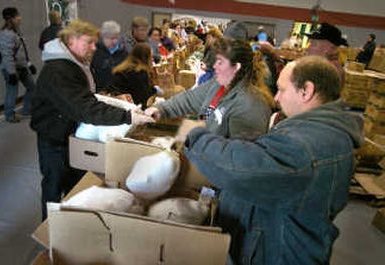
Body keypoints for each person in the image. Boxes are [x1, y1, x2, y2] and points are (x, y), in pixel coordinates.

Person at [183, 56, 364, 264]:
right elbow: (270, 158)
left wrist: (196, 137)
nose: (276, 98)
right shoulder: (324, 130)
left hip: (276, 254)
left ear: (306, 91)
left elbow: (241, 170)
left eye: (282, 89)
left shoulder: (305, 147)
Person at [30, 19, 154, 220]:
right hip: (54, 138)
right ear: (71, 40)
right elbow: (83, 106)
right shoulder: (59, 70)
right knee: (54, 187)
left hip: (68, 135)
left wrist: (113, 99)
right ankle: (51, 231)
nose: (94, 47)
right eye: (89, 42)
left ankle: (71, 224)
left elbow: (84, 97)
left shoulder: (74, 64)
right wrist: (127, 116)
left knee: (74, 185)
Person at [146, 38, 273, 140]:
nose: (214, 66)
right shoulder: (219, 86)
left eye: (220, 62)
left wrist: (197, 136)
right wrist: (160, 109)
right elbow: (189, 99)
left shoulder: (252, 106)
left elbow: (238, 155)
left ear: (236, 67)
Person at [0, 7, 37, 123]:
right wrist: (11, 73)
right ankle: (9, 115)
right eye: (17, 16)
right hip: (12, 69)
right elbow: (7, 55)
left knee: (32, 88)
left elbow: (22, 51)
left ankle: (26, 110)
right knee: (12, 92)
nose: (20, 17)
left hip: (22, 67)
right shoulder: (6, 34)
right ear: (11, 19)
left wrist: (29, 64)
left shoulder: (16, 31)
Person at [105, 43, 160, 108]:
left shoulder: (125, 68)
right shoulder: (139, 73)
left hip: (116, 104)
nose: (152, 59)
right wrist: (155, 91)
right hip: (129, 106)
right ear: (145, 58)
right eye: (151, 57)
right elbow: (145, 97)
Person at [91, 20, 127, 90]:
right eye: (111, 38)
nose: (114, 41)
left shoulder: (124, 53)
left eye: (116, 38)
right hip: (101, 90)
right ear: (102, 37)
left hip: (120, 91)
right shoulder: (95, 52)